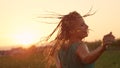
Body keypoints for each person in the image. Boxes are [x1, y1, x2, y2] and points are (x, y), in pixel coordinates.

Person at [44, 11, 115, 68]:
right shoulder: (79, 45)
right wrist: (102, 47)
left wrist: (56, 57)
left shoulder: (61, 49)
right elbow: (86, 58)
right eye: (82, 25)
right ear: (71, 31)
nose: (87, 26)